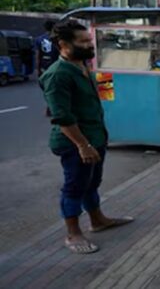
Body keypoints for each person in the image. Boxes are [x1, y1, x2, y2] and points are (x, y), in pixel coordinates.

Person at [40, 20, 133, 254]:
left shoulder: (84, 65)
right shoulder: (57, 75)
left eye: (89, 40)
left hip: (96, 136)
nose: (89, 45)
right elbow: (62, 118)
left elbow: (99, 97)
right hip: (75, 143)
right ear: (63, 44)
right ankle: (73, 234)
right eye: (83, 42)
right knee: (75, 186)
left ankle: (98, 220)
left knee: (92, 183)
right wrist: (83, 145)